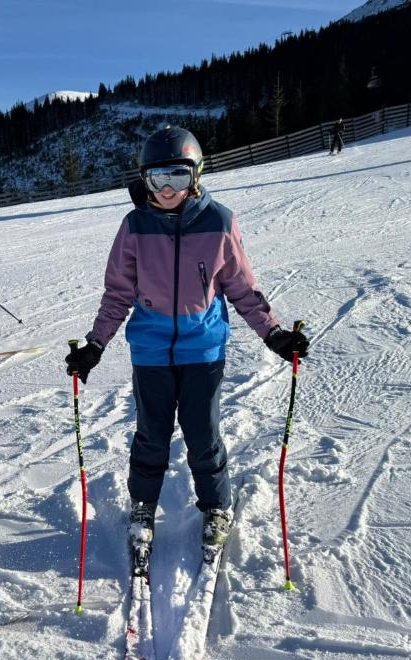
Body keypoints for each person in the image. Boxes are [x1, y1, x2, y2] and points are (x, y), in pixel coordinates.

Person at [64, 126, 309, 574]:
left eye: (178, 176)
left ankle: (216, 506)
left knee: (203, 435)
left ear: (196, 175)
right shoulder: (135, 226)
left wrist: (273, 333)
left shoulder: (219, 221)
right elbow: (118, 293)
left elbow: (242, 287)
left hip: (203, 351)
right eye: (158, 179)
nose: (168, 189)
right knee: (150, 436)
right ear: (145, 180)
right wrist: (95, 344)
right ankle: (142, 508)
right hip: (151, 351)